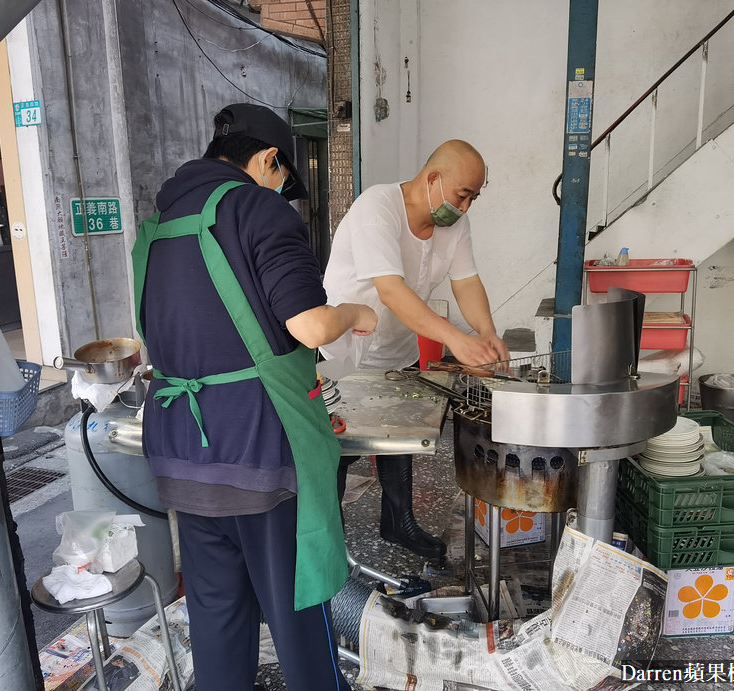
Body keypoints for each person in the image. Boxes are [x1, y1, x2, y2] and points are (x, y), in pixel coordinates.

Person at [132, 103, 376, 691]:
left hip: (184, 452)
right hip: (262, 457)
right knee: (299, 614)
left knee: (217, 615)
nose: (281, 191)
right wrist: (355, 311)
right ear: (268, 159)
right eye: (283, 179)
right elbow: (310, 328)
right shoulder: (257, 210)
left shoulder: (157, 225)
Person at [321, 139, 509, 559]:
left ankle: (398, 521)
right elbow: (391, 291)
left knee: (399, 437)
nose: (466, 207)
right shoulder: (378, 207)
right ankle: (328, 533)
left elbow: (466, 281)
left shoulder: (454, 225)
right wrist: (455, 339)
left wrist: (486, 331)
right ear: (433, 179)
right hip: (345, 351)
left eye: (474, 198)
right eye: (463, 195)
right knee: (336, 445)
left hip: (396, 349)